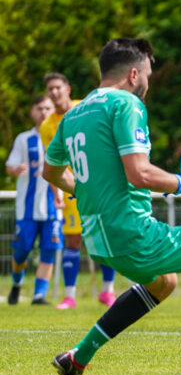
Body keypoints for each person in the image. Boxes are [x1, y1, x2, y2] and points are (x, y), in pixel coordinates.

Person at [43, 37, 181, 375]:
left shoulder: (73, 115)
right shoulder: (126, 104)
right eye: (147, 75)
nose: (147, 83)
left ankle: (79, 356)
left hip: (97, 238)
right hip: (134, 235)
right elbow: (139, 173)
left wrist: (87, 190)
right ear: (133, 74)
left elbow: (50, 172)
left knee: (163, 283)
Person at [39, 72, 119, 309]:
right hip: (71, 187)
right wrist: (56, 192)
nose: (54, 92)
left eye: (58, 87)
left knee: (105, 236)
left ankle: (108, 291)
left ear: (68, 89)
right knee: (73, 240)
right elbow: (51, 163)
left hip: (97, 183)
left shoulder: (85, 107)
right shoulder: (47, 126)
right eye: (50, 89)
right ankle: (70, 296)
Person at [6, 95, 58, 305]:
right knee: (21, 252)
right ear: (32, 112)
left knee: (49, 250)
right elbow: (10, 166)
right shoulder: (23, 139)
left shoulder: (60, 137)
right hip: (27, 208)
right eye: (39, 108)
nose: (44, 112)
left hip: (54, 208)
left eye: (48, 108)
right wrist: (16, 169)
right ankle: (17, 283)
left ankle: (39, 295)